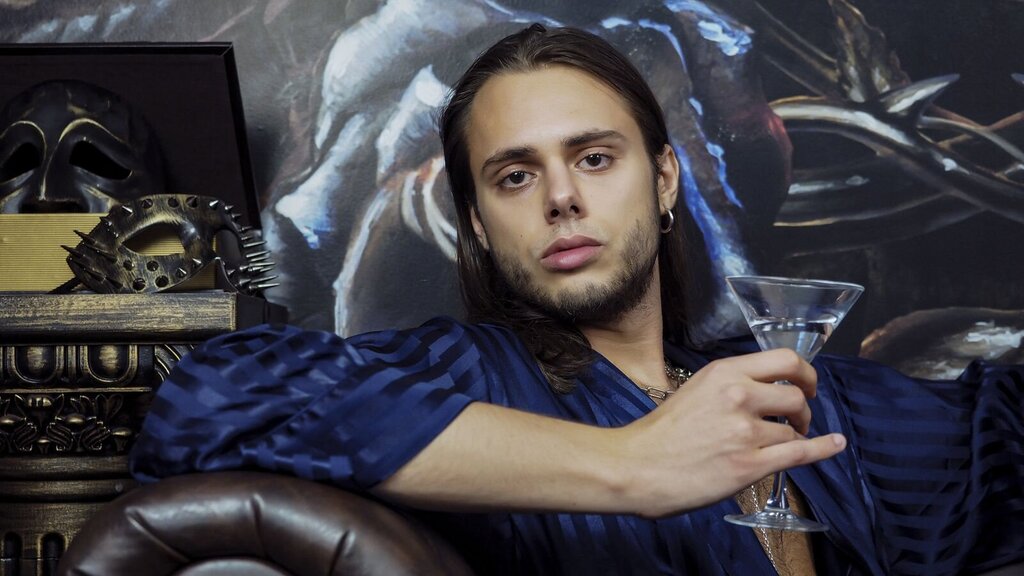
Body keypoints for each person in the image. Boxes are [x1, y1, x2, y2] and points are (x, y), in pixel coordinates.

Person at [130, 24, 1024, 576]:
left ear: (665, 179)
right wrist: (630, 464)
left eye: (595, 158)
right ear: (476, 224)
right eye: (515, 175)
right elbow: (212, 397)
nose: (561, 196)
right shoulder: (470, 380)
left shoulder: (818, 404)